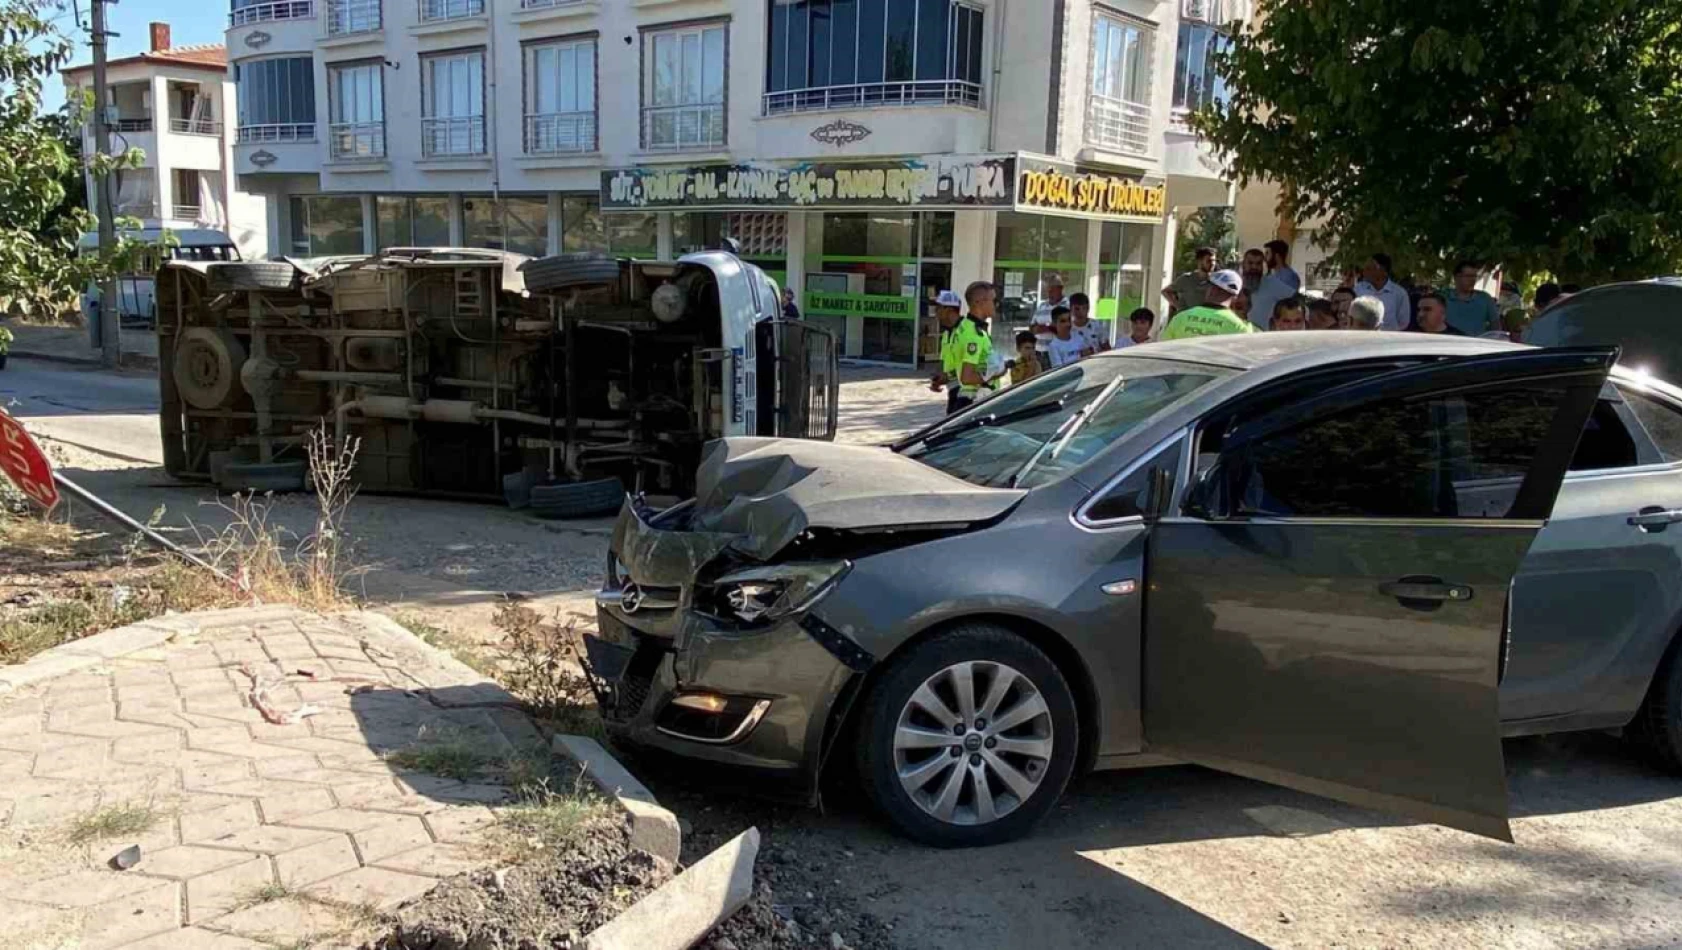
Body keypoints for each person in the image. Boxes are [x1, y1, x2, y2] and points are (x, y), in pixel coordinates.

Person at [933, 290, 988, 413]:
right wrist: (939, 378)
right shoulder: (947, 333)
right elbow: (944, 363)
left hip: (969, 391)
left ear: (949, 310)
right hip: (954, 388)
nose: (935, 312)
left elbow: (971, 367)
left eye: (938, 308)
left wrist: (948, 376)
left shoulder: (968, 331)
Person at [1161, 270, 1255, 340]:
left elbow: (1163, 351)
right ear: (1235, 297)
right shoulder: (1240, 329)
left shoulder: (1180, 318)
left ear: (1210, 289)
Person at [1248, 239, 1303, 330]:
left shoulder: (1288, 277)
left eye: (1267, 253)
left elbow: (1291, 305)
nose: (1265, 258)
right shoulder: (1271, 275)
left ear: (1276, 256)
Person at [1354, 252, 1411, 330]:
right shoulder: (1358, 289)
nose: (1364, 272)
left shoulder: (1399, 293)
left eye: (1369, 268)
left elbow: (1403, 322)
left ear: (1383, 271)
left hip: (1390, 339)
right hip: (1364, 337)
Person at [1444, 261, 1499, 335]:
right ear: (1456, 277)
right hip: (1447, 343)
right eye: (1468, 276)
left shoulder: (1484, 299)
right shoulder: (1443, 297)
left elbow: (1495, 325)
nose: (1472, 280)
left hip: (1475, 344)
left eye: (1475, 276)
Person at [1165, 247, 1215, 316]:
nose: (1213, 264)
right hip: (1187, 320)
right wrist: (1178, 306)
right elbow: (1166, 291)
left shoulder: (1216, 281)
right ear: (1199, 261)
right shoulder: (1186, 279)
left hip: (1205, 321)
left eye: (1214, 261)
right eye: (1209, 261)